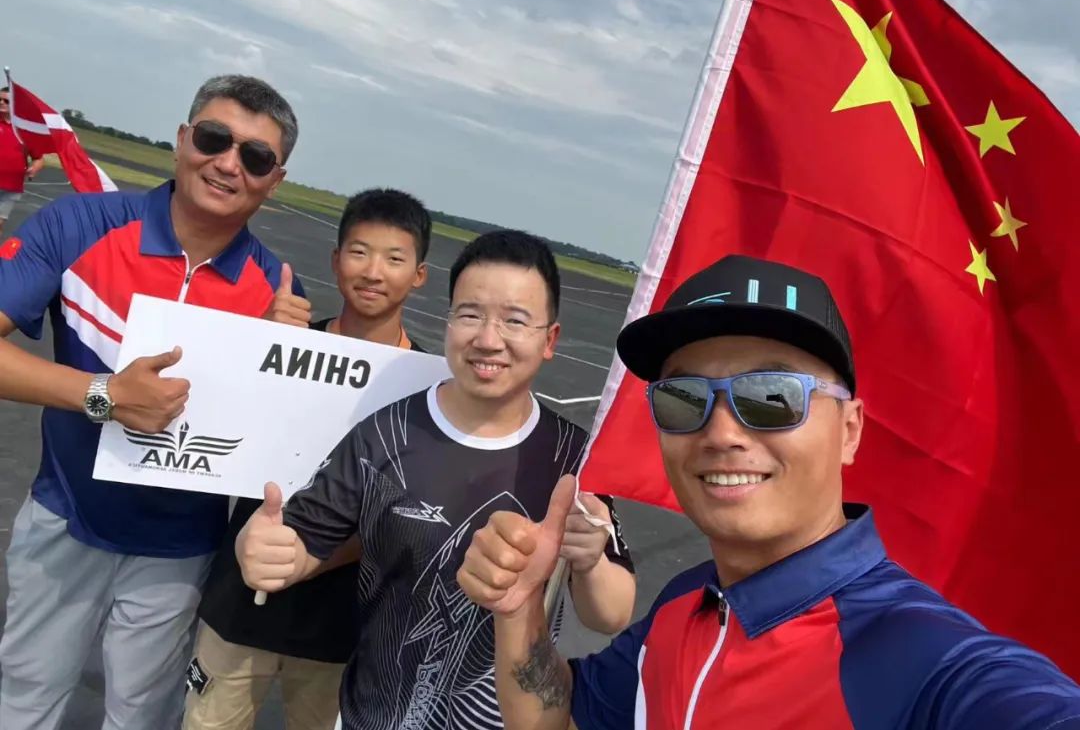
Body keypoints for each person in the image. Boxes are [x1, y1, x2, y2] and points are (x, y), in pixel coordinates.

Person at [456, 254, 1080, 730]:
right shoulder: (686, 604)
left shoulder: (925, 663)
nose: (721, 432)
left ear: (849, 430)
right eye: (683, 397)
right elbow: (558, 717)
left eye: (773, 396)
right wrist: (521, 610)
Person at [236, 230, 637, 730]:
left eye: (515, 320)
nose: (488, 339)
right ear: (449, 322)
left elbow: (610, 615)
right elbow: (298, 546)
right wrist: (263, 551)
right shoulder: (384, 434)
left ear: (549, 340)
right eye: (470, 315)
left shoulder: (574, 459)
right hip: (374, 717)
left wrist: (591, 559)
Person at [0, 74, 302, 730]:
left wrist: (278, 362)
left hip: (179, 550)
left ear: (274, 180)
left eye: (255, 157)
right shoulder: (80, 224)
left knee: (140, 716)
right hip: (65, 517)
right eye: (215, 139)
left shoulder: (278, 292)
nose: (228, 164)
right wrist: (102, 394)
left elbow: (277, 442)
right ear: (183, 138)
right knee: (26, 698)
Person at [187, 188, 433, 730]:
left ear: (419, 275)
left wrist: (315, 554)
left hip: (345, 626)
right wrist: (258, 346)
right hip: (240, 603)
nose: (373, 272)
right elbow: (214, 421)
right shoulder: (283, 344)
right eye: (359, 252)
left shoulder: (427, 391)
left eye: (394, 258)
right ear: (336, 260)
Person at [0, 84, 46, 235]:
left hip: (11, 186)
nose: (2, 103)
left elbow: (38, 158)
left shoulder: (25, 131)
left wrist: (34, 168)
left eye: (6, 101)